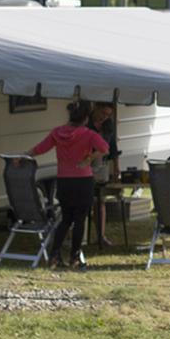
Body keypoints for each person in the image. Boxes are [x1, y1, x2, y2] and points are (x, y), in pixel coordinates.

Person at [28, 100, 109, 269]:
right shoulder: (88, 134)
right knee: (79, 220)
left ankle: (54, 255)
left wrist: (24, 155)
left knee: (65, 219)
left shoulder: (58, 132)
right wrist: (89, 158)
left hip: (64, 181)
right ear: (86, 118)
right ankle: (74, 257)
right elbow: (104, 148)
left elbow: (40, 148)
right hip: (83, 180)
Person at [88, 102, 120, 247]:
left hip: (102, 167)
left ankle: (101, 236)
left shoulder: (108, 126)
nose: (104, 117)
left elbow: (112, 147)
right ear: (96, 109)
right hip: (86, 165)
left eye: (108, 115)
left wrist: (116, 167)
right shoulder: (86, 123)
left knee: (100, 200)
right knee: (85, 202)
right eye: (103, 113)